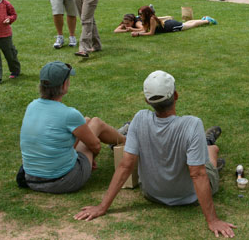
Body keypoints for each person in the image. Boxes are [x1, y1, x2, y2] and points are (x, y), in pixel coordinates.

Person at [74, 70, 236, 238]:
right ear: (176, 95)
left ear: (147, 100)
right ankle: (209, 146)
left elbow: (125, 165)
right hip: (189, 197)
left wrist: (102, 207)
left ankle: (207, 143)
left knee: (200, 157)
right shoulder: (192, 124)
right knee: (209, 156)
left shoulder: (139, 119)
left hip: (152, 194)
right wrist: (213, 220)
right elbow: (198, 174)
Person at [18, 62, 127, 193]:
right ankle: (126, 141)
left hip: (31, 180)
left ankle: (120, 138)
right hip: (62, 181)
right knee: (96, 122)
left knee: (86, 121)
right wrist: (90, 158)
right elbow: (96, 146)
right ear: (64, 85)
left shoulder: (32, 106)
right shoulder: (69, 114)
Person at [132, 5, 215, 37]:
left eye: (141, 14)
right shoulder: (145, 20)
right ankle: (203, 19)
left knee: (191, 25)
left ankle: (207, 20)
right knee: (187, 23)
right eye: (139, 14)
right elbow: (145, 30)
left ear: (146, 14)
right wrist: (135, 31)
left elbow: (151, 33)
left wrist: (139, 34)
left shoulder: (151, 19)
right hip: (168, 24)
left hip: (172, 26)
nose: (139, 16)